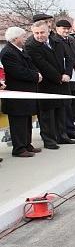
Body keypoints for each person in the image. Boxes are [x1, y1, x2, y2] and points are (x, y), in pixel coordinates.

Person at [24, 15, 75, 149]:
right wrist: (59, 77)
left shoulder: (56, 41)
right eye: (36, 33)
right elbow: (43, 65)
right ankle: (49, 140)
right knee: (47, 115)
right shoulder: (31, 46)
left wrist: (68, 74)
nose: (39, 35)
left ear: (48, 31)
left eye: (42, 32)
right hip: (46, 84)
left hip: (63, 82)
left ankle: (62, 136)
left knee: (61, 110)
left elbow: (68, 58)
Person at [0, 27, 42, 157]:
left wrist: (37, 73)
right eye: (23, 37)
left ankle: (27, 144)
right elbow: (17, 71)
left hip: (26, 92)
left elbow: (30, 65)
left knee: (27, 119)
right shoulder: (8, 52)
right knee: (18, 121)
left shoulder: (20, 50)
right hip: (16, 93)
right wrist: (35, 76)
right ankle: (19, 148)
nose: (25, 39)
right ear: (15, 38)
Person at [51, 19, 75, 141]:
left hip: (72, 74)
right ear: (57, 29)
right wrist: (73, 65)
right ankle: (66, 130)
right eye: (63, 29)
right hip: (63, 76)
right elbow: (63, 57)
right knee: (65, 105)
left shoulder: (71, 40)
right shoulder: (56, 41)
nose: (66, 31)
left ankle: (71, 128)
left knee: (70, 104)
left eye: (68, 29)